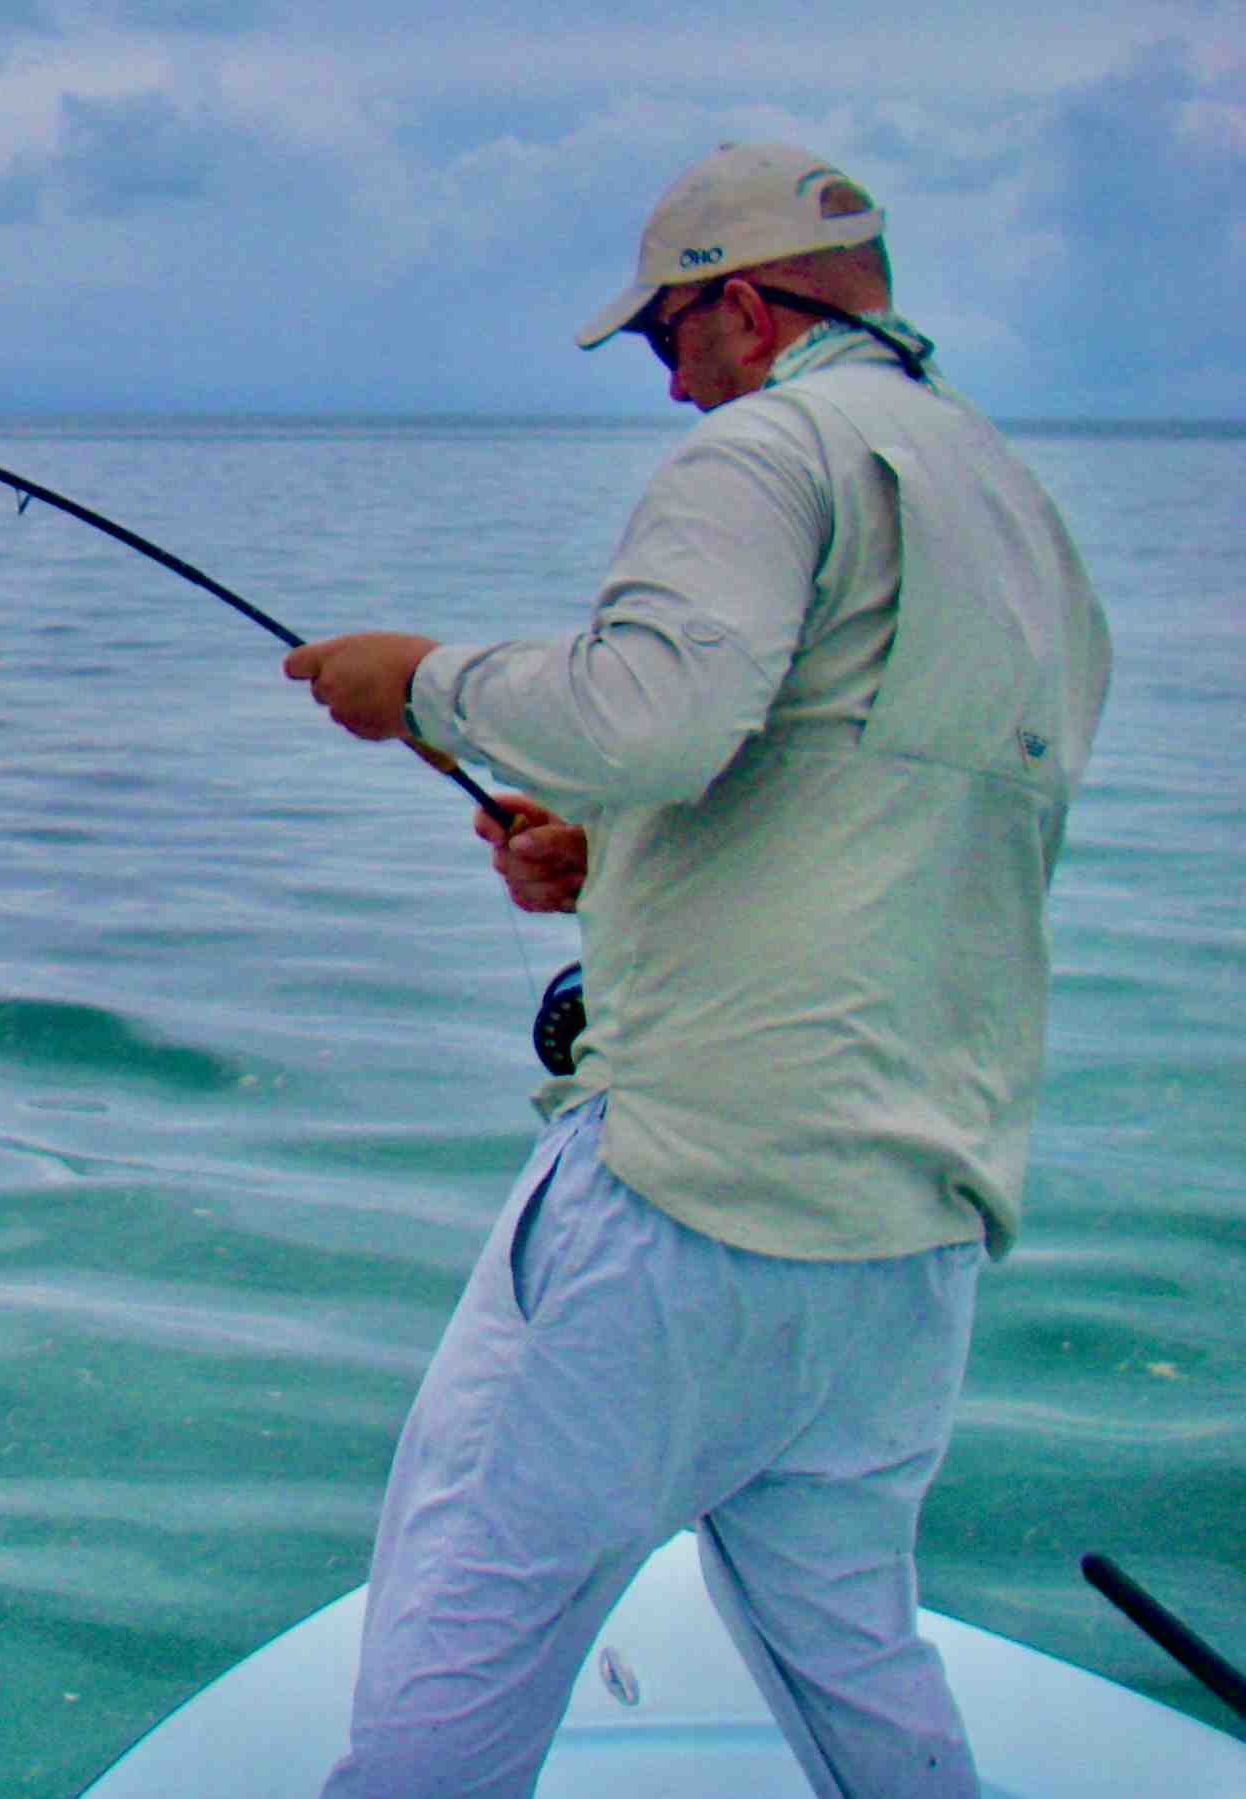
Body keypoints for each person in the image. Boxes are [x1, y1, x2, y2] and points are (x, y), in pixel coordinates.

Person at [280, 141, 1111, 1797]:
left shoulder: (766, 449)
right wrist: (614, 858)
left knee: (469, 1619)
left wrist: (421, 682)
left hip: (687, 1200)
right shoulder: (1016, 507)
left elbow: (650, 714)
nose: (671, 385)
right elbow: (875, 811)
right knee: (854, 1653)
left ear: (744, 306)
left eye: (668, 336)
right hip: (910, 1226)